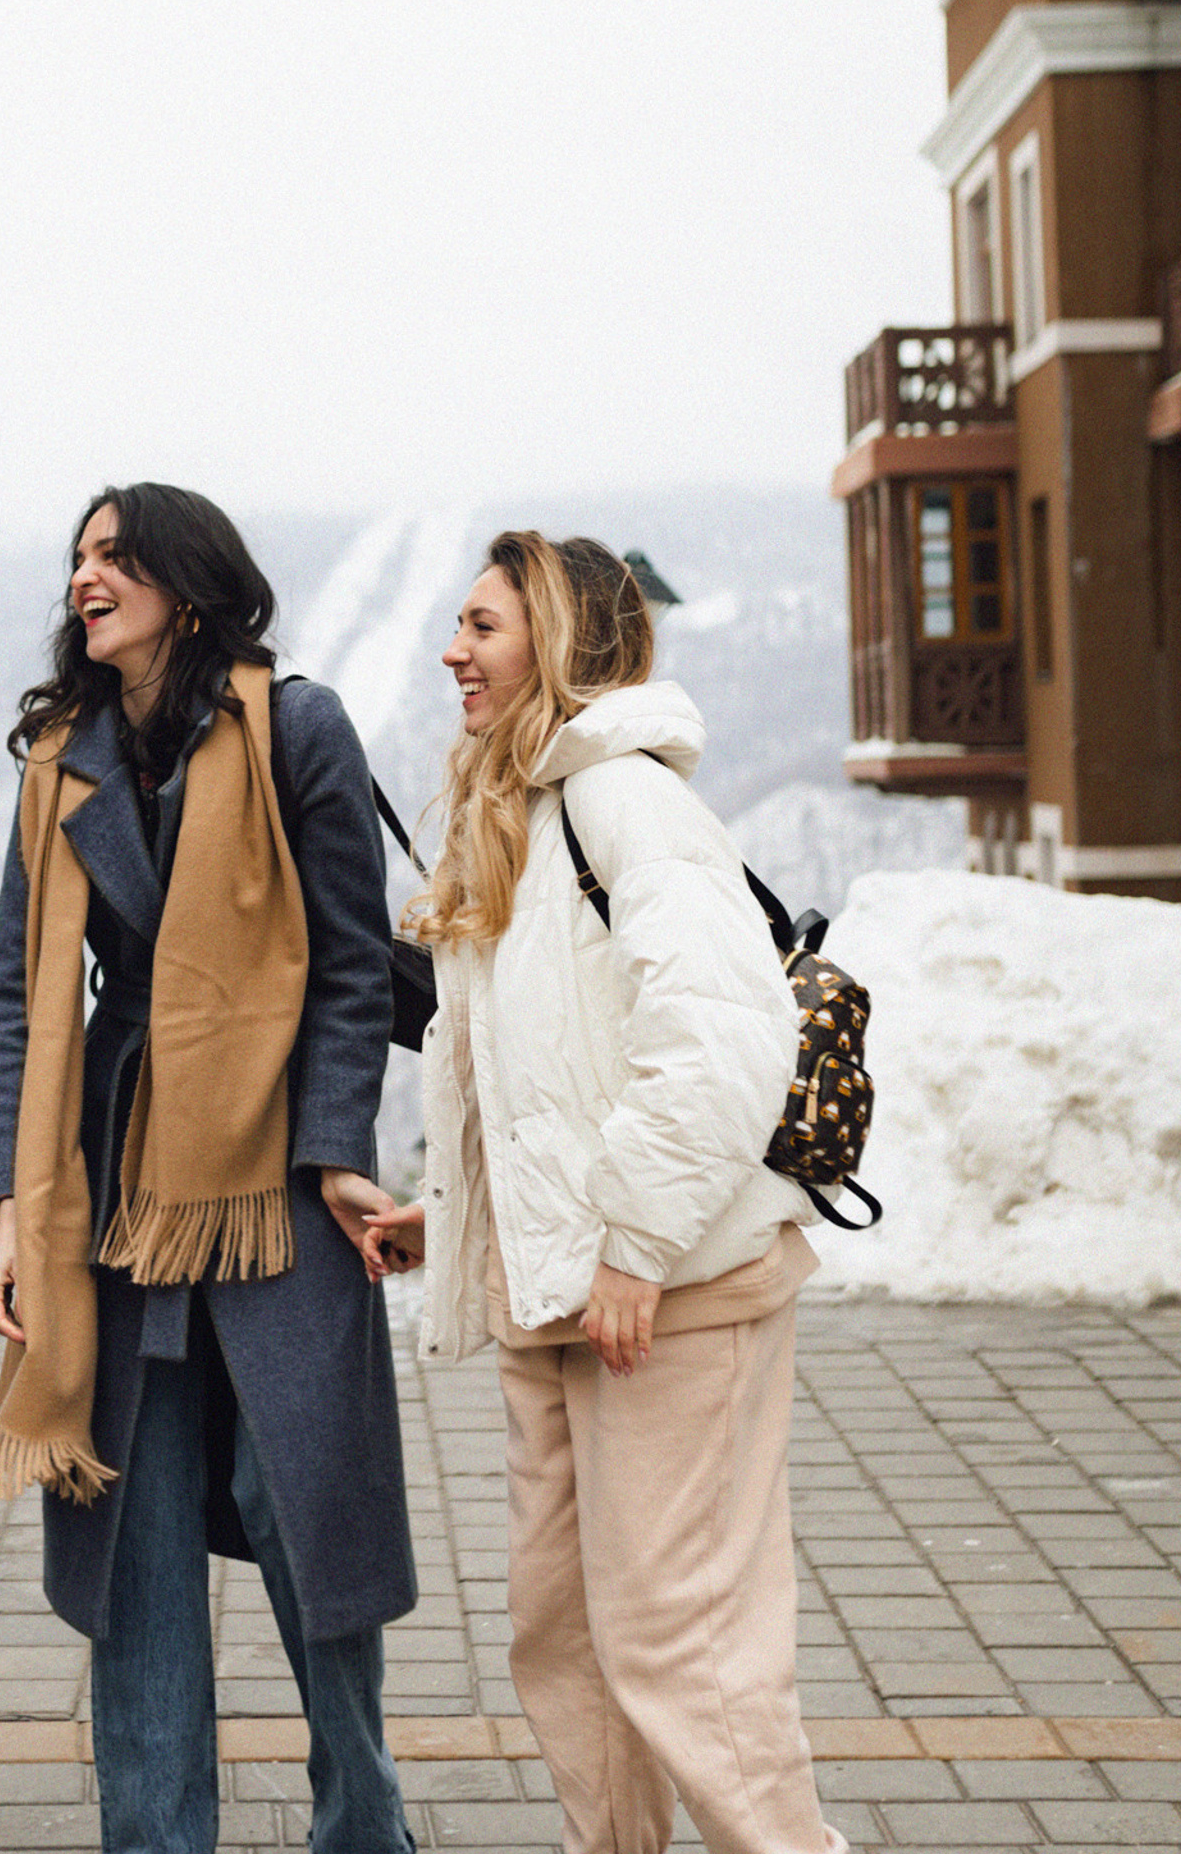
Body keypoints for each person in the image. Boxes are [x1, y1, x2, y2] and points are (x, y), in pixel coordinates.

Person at [373, 531, 847, 1854]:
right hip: (562, 1298)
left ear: (562, 645)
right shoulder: (511, 807)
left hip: (668, 1296)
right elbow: (538, 1074)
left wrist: (633, 1241)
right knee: (568, 1641)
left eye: (483, 627)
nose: (453, 651)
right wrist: (458, 1219)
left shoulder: (622, 801)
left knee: (683, 1648)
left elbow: (718, 1039)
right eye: (456, 626)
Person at [0, 483, 420, 1854]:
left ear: (190, 578)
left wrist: (339, 1151)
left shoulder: (297, 726)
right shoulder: (68, 753)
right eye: (79, 557)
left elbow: (354, 963)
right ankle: (155, 1836)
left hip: (275, 1169)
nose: (85, 576)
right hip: (112, 1187)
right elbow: (16, 991)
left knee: (299, 1515)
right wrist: (10, 1206)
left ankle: (363, 1826)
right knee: (136, 1533)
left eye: (116, 556)